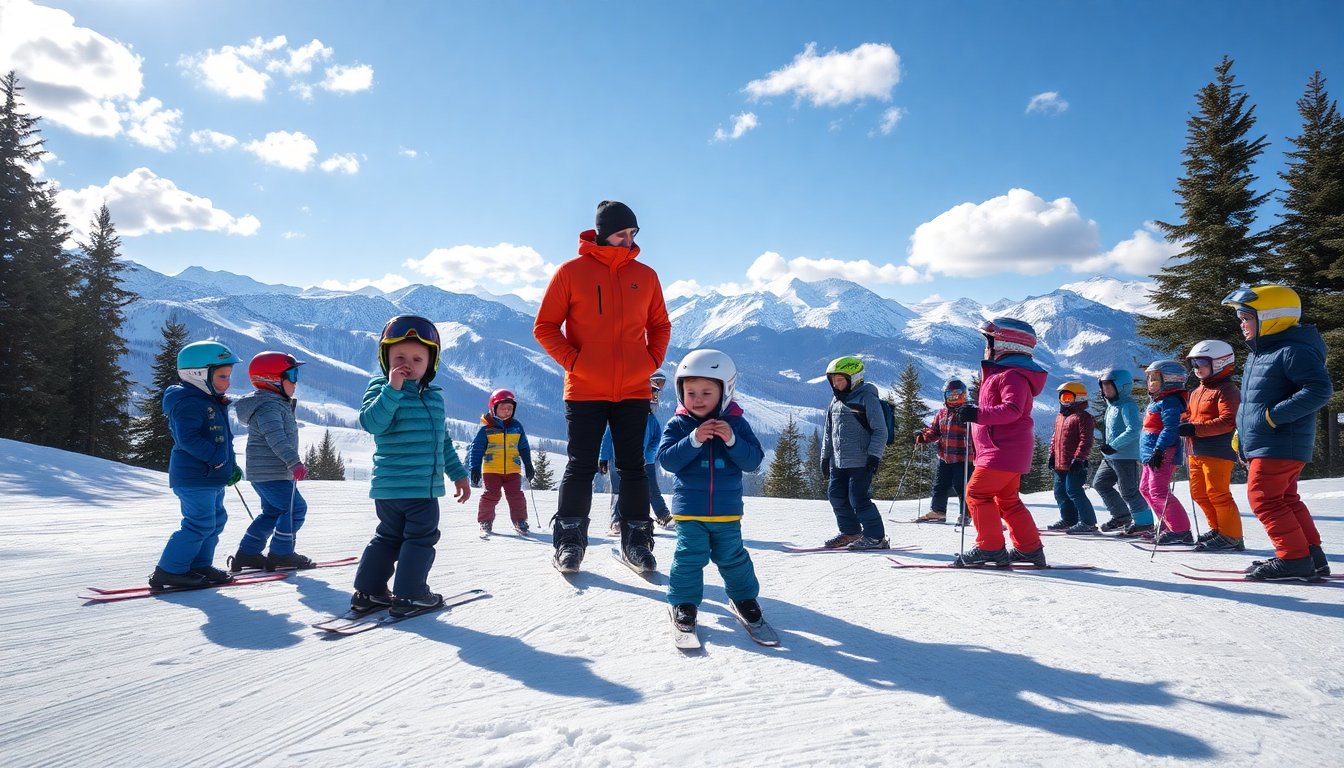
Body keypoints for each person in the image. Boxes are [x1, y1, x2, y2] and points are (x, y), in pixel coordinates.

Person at [534, 200, 672, 572]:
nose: (628, 240)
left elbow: (660, 325)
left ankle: (637, 542)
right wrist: (575, 362)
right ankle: (569, 542)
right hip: (584, 390)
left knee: (633, 467)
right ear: (602, 233)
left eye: (632, 233)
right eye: (620, 234)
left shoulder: (646, 276)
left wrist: (649, 362)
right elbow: (545, 327)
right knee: (581, 466)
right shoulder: (570, 272)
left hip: (633, 389)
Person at [350, 315, 471, 617]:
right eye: (399, 358)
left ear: (431, 363)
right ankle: (410, 595)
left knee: (389, 538)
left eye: (417, 359)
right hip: (403, 489)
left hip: (416, 488)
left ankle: (370, 592)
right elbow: (372, 423)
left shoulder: (433, 397)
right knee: (418, 539)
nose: (408, 364)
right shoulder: (381, 388)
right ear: (386, 359)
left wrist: (458, 474)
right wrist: (392, 389)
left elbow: (442, 441)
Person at [1222, 285, 1333, 581]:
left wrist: (1272, 418)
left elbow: (1319, 390)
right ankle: (1311, 557)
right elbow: (1252, 402)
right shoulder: (1263, 352)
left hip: (1281, 441)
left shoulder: (1292, 350)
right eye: (1241, 318)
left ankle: (1294, 559)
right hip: (1270, 441)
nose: (1242, 324)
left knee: (1264, 498)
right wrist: (1242, 436)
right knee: (1285, 498)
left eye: (1247, 317)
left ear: (1271, 317)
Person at [657, 349, 766, 633]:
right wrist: (692, 440)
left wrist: (733, 441)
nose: (698, 399)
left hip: (727, 511)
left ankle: (744, 598)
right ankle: (684, 602)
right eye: (690, 392)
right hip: (689, 511)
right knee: (689, 556)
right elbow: (667, 461)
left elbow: (753, 461)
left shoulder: (736, 424)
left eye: (706, 392)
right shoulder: (679, 425)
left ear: (725, 391)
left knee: (733, 558)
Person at [952, 318, 1048, 568]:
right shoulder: (1004, 373)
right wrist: (976, 412)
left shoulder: (1011, 375)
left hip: (1001, 450)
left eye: (989, 341)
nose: (986, 347)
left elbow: (1012, 409)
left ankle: (990, 548)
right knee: (1008, 501)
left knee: (976, 493)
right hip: (1005, 451)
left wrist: (977, 414)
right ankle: (1029, 549)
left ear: (1006, 344)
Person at [150, 341, 243, 589]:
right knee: (199, 523)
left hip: (211, 476)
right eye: (222, 376)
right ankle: (169, 570)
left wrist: (231, 466)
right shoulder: (188, 402)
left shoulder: (211, 401)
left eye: (228, 376)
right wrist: (217, 459)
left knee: (216, 521)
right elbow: (187, 439)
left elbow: (224, 440)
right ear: (198, 374)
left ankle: (199, 565)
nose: (228, 382)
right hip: (193, 477)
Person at [228, 351, 314, 572]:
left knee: (273, 512)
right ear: (271, 380)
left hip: (266, 473)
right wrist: (294, 463)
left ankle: (248, 553)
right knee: (295, 509)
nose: (296, 382)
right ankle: (281, 553)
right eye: (292, 375)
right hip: (272, 473)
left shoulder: (274, 404)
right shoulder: (269, 407)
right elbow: (276, 439)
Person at [1179, 340, 1244, 552]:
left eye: (1202, 363)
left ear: (1220, 362)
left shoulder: (1227, 390)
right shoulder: (1197, 391)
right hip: (1196, 450)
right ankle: (1218, 529)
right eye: (1194, 364)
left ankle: (1232, 536)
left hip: (1218, 449)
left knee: (1217, 493)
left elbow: (1228, 421)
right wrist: (1183, 421)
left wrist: (1194, 428)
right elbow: (1191, 415)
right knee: (1199, 493)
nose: (1196, 368)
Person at [820, 355, 889, 550]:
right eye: (833, 380)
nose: (835, 384)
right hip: (838, 461)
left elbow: (880, 430)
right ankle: (850, 531)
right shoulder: (835, 401)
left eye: (840, 379)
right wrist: (825, 457)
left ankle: (876, 537)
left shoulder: (867, 398)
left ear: (854, 378)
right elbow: (828, 431)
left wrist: (874, 456)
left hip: (861, 461)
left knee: (858, 498)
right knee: (836, 496)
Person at [602, 372, 674, 534]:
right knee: (618, 490)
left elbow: (656, 438)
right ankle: (616, 521)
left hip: (645, 460)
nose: (653, 399)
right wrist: (603, 457)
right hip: (619, 459)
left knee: (650, 488)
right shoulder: (621, 415)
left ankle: (661, 515)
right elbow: (608, 437)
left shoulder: (650, 418)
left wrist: (649, 454)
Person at [1093, 368, 1154, 536]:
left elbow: (1134, 429)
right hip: (1110, 456)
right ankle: (1121, 516)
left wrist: (1114, 445)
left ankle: (1145, 523)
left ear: (1121, 386)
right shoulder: (1111, 406)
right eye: (1103, 385)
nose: (1105, 389)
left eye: (1109, 385)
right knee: (1100, 484)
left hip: (1125, 456)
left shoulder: (1128, 405)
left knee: (1129, 491)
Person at [1138, 359, 1192, 544]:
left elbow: (1170, 428)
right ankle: (1167, 524)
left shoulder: (1170, 401)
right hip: (1151, 453)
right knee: (1145, 489)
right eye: (1149, 379)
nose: (1150, 383)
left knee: (1158, 491)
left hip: (1162, 452)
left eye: (1155, 379)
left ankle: (1180, 530)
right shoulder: (1158, 401)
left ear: (1170, 380)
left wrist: (1159, 450)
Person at [468, 389, 536, 536]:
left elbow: (523, 447)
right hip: (491, 470)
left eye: (510, 408)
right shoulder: (487, 428)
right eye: (503, 408)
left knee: (516, 496)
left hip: (513, 470)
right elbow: (477, 448)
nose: (507, 411)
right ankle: (485, 522)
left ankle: (520, 521)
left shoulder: (517, 427)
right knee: (491, 495)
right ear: (494, 408)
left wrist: (528, 465)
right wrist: (475, 467)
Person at [912, 379, 973, 525]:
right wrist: (924, 437)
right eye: (950, 395)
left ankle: (966, 513)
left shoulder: (968, 412)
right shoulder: (942, 413)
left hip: (963, 458)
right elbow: (935, 431)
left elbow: (978, 433)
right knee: (940, 485)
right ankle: (938, 511)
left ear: (964, 395)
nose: (953, 398)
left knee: (962, 486)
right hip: (944, 456)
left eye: (957, 395)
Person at [1046, 382, 1099, 534]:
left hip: (1075, 463)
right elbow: (1055, 438)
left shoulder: (1083, 417)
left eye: (1069, 397)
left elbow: (1086, 440)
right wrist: (1052, 455)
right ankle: (1069, 519)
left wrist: (1079, 458)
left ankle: (1088, 522)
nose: (1065, 401)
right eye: (1062, 397)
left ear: (1079, 398)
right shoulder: (1060, 416)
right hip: (1060, 462)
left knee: (1074, 491)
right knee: (1060, 492)